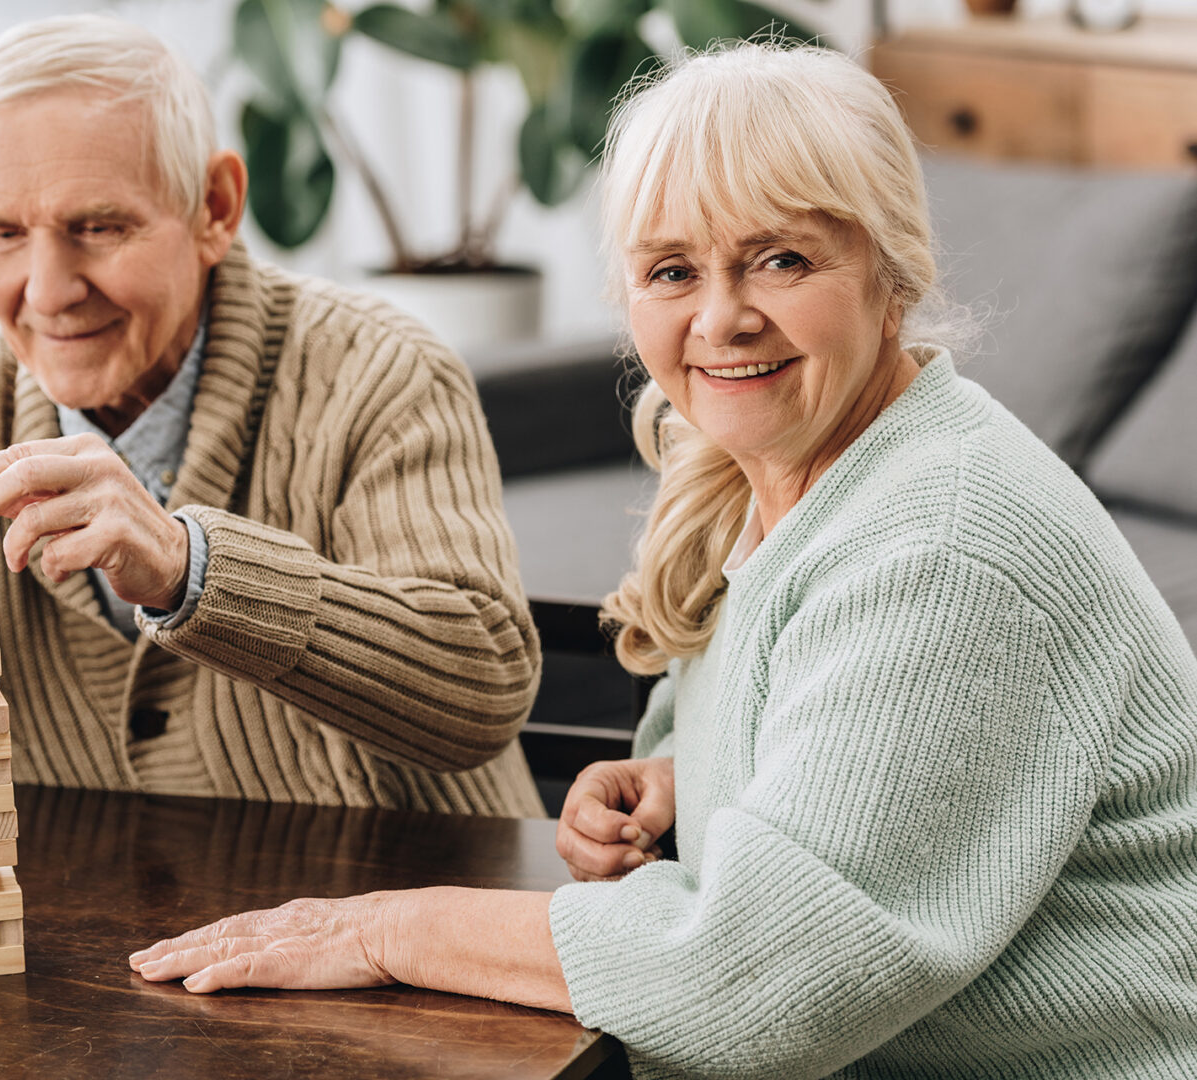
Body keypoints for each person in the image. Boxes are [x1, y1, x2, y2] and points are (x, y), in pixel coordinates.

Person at [128, 43, 1197, 1077]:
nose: (723, 317)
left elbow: (759, 981)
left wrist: (387, 933)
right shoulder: (792, 470)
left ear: (892, 271)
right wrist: (692, 786)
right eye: (673, 270)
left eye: (782, 258)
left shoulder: (945, 549)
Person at [0, 14, 545, 818]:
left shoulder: (379, 371)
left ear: (215, 208)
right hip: (92, 961)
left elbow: (482, 688)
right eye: (1, 232)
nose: (47, 292)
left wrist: (188, 571)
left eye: (98, 226)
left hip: (396, 935)